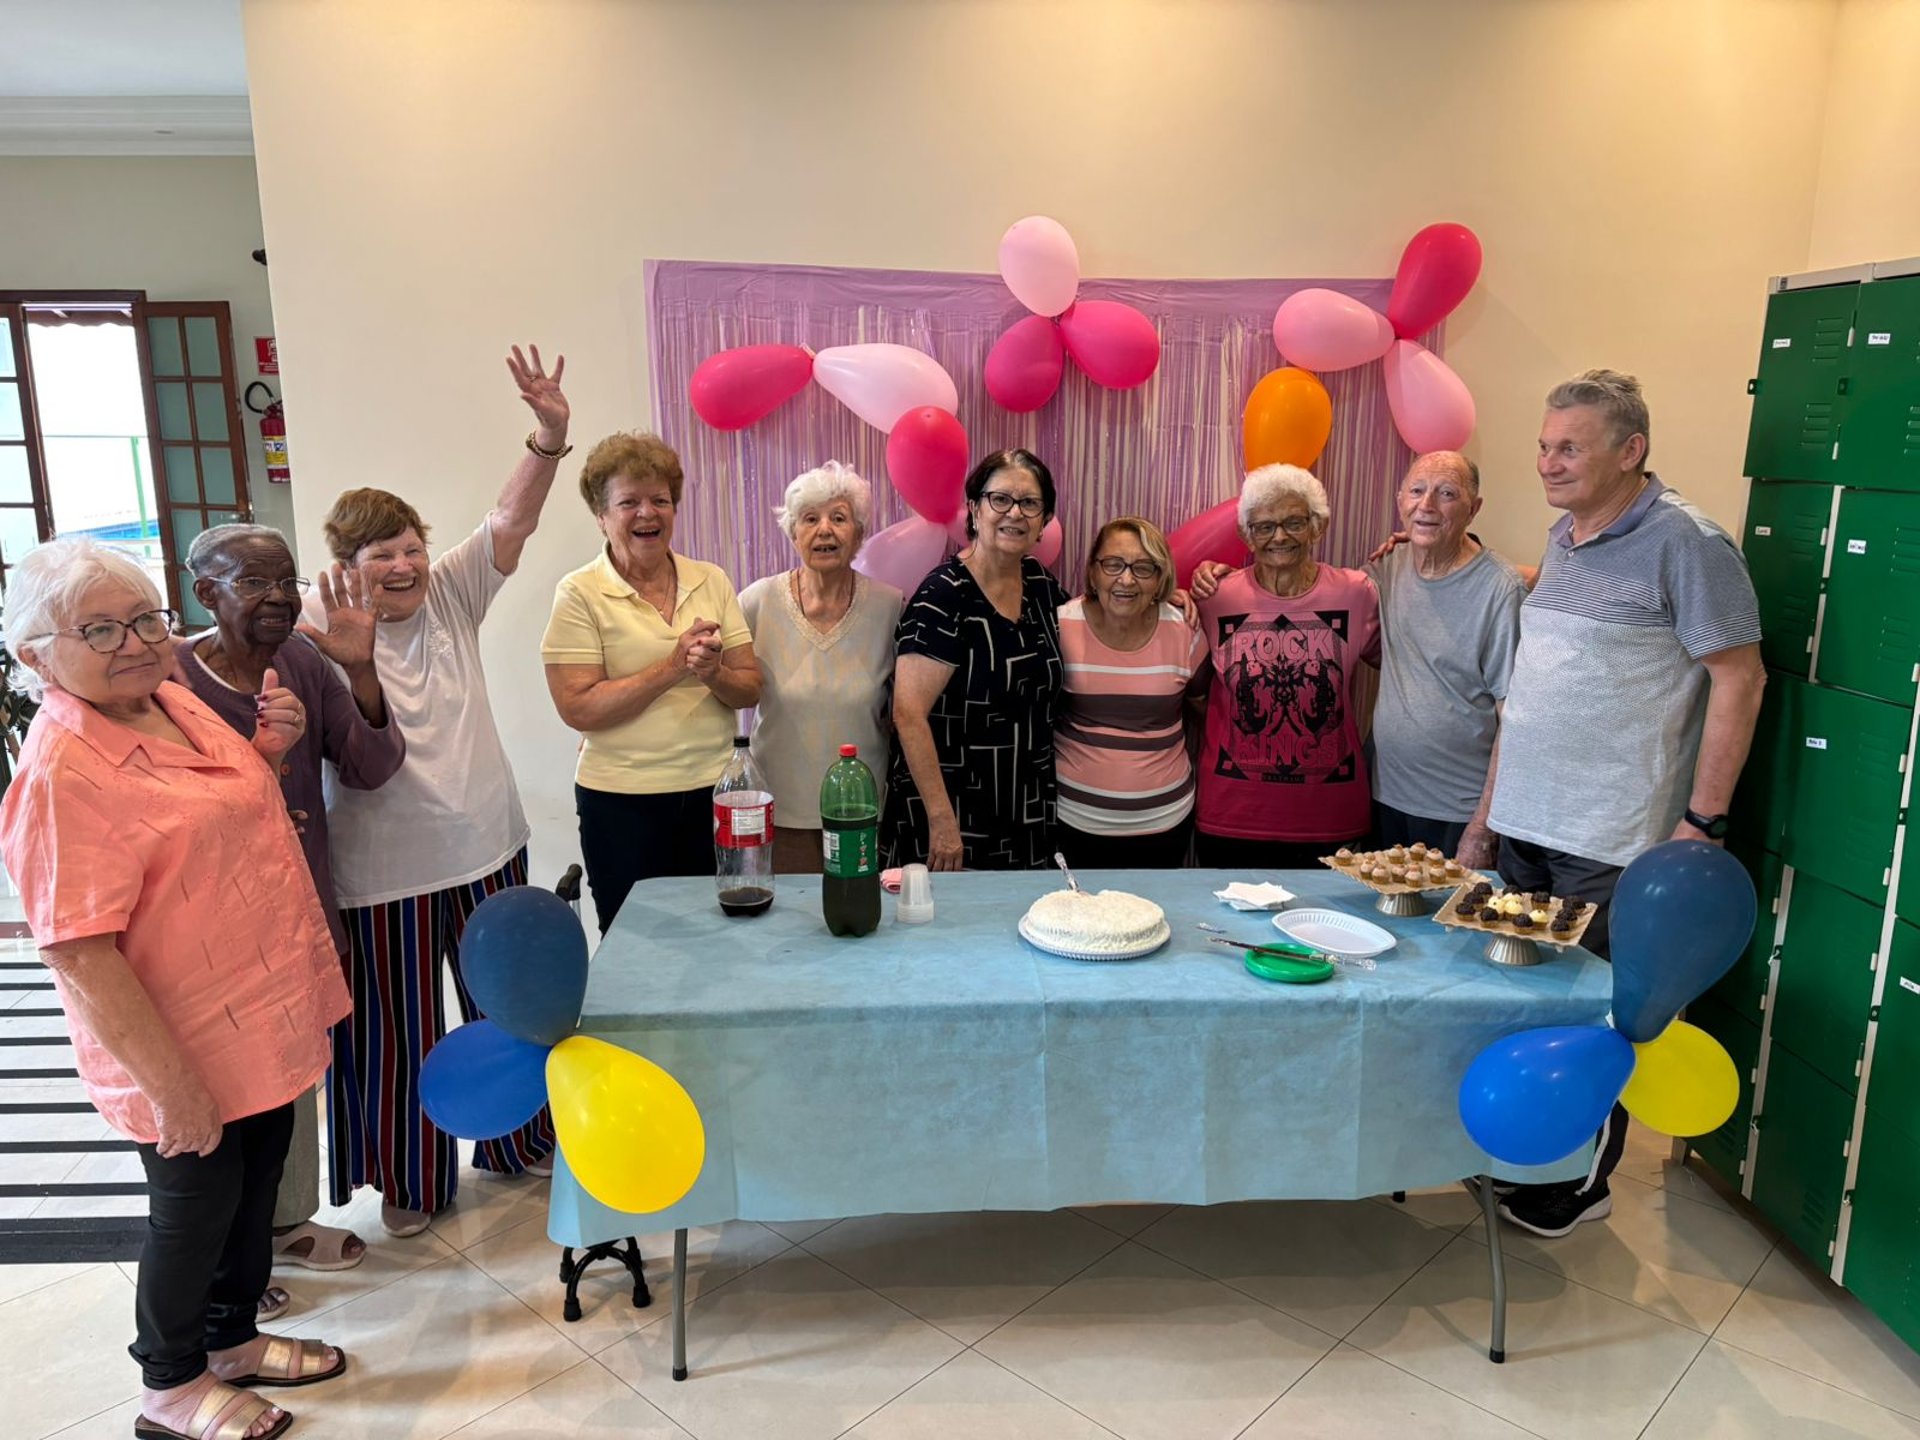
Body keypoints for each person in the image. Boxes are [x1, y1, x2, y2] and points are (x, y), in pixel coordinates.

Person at [1, 539, 348, 1440]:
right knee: (194, 1210)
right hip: (181, 1039)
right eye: (100, 629)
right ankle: (170, 1383)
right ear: (36, 654)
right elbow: (79, 951)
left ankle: (231, 1340)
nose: (135, 642)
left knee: (256, 1179)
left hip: (259, 1011)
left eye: (146, 618)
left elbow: (204, 818)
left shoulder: (171, 703)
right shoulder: (59, 773)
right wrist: (171, 1086)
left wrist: (266, 753)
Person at [1485, 368, 1765, 1238]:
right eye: (1543, 445)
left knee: (1594, 1015)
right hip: (1526, 825)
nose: (1548, 462)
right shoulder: (1568, 538)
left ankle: (1581, 1183)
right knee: (1523, 1005)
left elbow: (1740, 678)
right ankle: (1528, 1154)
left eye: (1569, 447)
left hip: (1608, 836)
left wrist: (1701, 822)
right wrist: (1487, 814)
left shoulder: (1689, 543)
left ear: (1630, 451)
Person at [305, 344, 565, 1238]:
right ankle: (411, 1183)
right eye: (383, 556)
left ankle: (516, 1139)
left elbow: (509, 519)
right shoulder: (315, 625)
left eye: (412, 547)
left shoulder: (453, 592)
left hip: (491, 844)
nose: (405, 566)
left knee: (507, 1007)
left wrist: (548, 436)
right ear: (348, 564)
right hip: (383, 872)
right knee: (395, 1033)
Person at [176, 523, 406, 1307]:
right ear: (206, 593)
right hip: (205, 926)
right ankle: (231, 1261)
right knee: (227, 1093)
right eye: (254, 583)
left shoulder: (303, 661)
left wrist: (361, 667)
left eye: (287, 582)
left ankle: (280, 1231)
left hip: (298, 907)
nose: (279, 599)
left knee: (291, 1080)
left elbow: (372, 766)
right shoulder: (169, 679)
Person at [542, 432, 761, 931]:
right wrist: (674, 667)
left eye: (661, 500)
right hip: (620, 804)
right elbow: (579, 709)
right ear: (601, 515)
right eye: (629, 502)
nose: (648, 513)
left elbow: (749, 687)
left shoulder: (712, 579)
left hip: (715, 794)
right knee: (635, 946)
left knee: (728, 934)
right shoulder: (579, 593)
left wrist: (713, 673)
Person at [885, 448, 1069, 871]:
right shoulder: (944, 595)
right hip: (953, 818)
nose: (1015, 513)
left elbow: (1094, 624)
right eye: (999, 499)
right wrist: (942, 820)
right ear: (974, 508)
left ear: (1044, 519)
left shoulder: (1042, 586)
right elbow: (908, 714)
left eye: (1029, 503)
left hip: (1026, 811)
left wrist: (1167, 597)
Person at [1190, 464, 1381, 868]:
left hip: (1330, 818)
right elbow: (1187, 684)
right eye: (1264, 526)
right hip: (1233, 816)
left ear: (1318, 526)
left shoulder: (1357, 592)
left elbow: (1403, 669)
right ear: (1246, 535)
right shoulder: (1215, 597)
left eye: (1294, 522)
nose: (1279, 536)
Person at [738, 461, 903, 874]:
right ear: (793, 533)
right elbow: (719, 690)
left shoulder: (891, 607)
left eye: (839, 518)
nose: (824, 530)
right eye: (809, 519)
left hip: (863, 811)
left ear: (860, 534)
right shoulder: (756, 602)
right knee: (791, 926)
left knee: (858, 920)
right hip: (780, 810)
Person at [1365, 452, 1526, 866]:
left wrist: (1482, 827)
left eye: (1447, 494)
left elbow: (1515, 715)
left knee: (1448, 930)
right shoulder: (1387, 565)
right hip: (1384, 796)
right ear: (1400, 499)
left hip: (1458, 811)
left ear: (1474, 510)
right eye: (1417, 491)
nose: (1427, 505)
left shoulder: (1499, 589)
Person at [1054, 517, 1209, 868]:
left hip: (1165, 823)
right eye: (1113, 565)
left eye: (1143, 568)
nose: (1126, 579)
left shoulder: (1185, 631)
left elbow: (1205, 710)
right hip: (1075, 822)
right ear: (1093, 572)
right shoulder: (1060, 626)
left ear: (1160, 578)